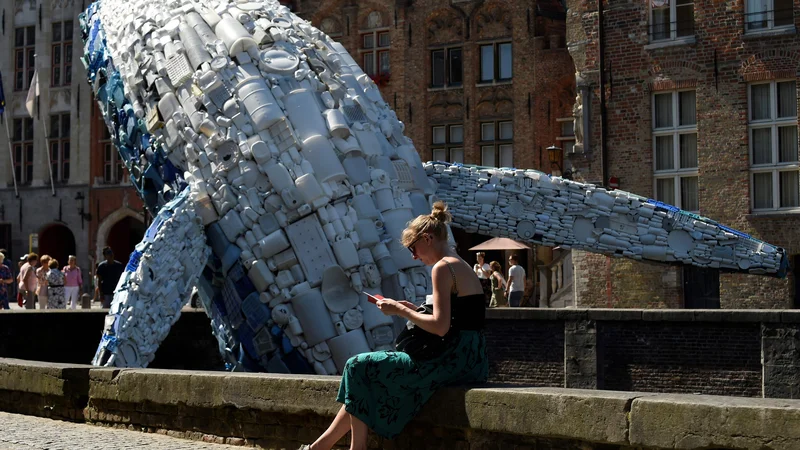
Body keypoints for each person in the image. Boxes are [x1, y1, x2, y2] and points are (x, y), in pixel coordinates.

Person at [303, 201, 488, 450]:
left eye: (414, 248)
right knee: (362, 377)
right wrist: (413, 309)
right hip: (470, 356)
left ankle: (353, 449)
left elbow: (441, 328)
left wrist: (399, 311)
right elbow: (457, 318)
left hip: (450, 358)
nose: (414, 256)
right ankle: (320, 448)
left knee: (357, 367)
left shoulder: (442, 269)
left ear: (427, 238)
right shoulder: (459, 263)